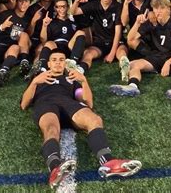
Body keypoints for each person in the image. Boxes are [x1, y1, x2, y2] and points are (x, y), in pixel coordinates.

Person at [20, 49, 142, 189]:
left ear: (65, 63)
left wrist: (84, 81)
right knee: (51, 129)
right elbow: (24, 104)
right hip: (46, 104)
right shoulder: (39, 80)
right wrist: (35, 82)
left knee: (95, 120)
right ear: (48, 63)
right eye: (54, 60)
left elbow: (88, 103)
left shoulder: (71, 79)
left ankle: (108, 162)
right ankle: (55, 168)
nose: (58, 63)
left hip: (68, 104)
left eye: (61, 60)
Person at [110, 0, 171, 103]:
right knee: (133, 65)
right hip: (156, 57)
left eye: (162, 8)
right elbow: (131, 39)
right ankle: (132, 86)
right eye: (156, 8)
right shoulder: (151, 22)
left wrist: (168, 62)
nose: (158, 11)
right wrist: (137, 23)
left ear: (168, 9)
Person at [70, 0, 129, 77]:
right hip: (99, 43)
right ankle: (81, 70)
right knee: (88, 54)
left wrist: (112, 53)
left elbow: (118, 32)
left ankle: (125, 69)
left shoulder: (118, 6)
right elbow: (73, 12)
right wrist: (76, 1)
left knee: (122, 53)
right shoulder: (94, 5)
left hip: (115, 42)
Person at [37, 0, 87, 73]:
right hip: (55, 48)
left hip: (70, 47)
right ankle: (42, 69)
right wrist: (44, 26)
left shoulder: (73, 21)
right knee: (49, 43)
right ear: (55, 8)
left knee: (81, 32)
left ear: (67, 7)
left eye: (63, 6)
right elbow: (43, 40)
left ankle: (72, 63)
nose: (61, 9)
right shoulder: (51, 22)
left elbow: (81, 38)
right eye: (58, 7)